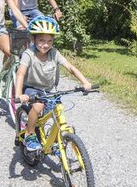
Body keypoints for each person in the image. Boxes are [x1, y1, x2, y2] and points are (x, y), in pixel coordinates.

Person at [14, 15, 93, 152]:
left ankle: (55, 140)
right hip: (32, 89)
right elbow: (20, 73)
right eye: (41, 40)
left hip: (49, 90)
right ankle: (30, 135)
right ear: (33, 39)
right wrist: (19, 94)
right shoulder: (28, 54)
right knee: (38, 106)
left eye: (50, 41)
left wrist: (85, 82)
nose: (46, 45)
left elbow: (70, 67)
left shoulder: (54, 53)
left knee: (57, 111)